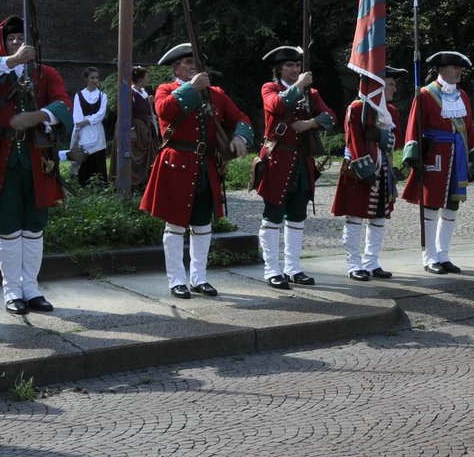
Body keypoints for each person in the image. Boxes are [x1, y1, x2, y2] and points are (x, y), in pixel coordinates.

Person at [0, 15, 72, 315]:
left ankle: (31, 288)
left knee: (35, 227)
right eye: (11, 39)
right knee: (10, 228)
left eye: (22, 39)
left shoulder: (46, 73)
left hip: (38, 160)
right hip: (2, 160)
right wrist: (12, 61)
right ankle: (12, 291)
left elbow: (63, 106)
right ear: (4, 44)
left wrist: (38, 116)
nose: (18, 43)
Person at [141, 43, 255, 299]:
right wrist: (192, 87)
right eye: (188, 62)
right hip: (176, 165)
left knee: (203, 224)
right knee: (175, 226)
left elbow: (242, 119)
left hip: (206, 165)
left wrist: (240, 138)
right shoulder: (166, 89)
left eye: (197, 63)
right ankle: (177, 280)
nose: (193, 66)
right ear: (176, 67)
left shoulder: (216, 93)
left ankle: (199, 278)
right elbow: (165, 110)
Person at [254, 46, 337, 289]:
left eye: (297, 65)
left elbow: (330, 117)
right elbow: (277, 107)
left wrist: (310, 123)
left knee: (297, 218)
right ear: (279, 69)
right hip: (278, 159)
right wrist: (299, 86)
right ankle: (272, 269)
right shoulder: (270, 88)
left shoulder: (312, 93)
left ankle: (293, 268)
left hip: (302, 162)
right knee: (272, 217)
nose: (295, 69)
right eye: (289, 66)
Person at [402, 51, 474, 274]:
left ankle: (443, 254)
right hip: (434, 156)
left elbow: (469, 129)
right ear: (442, 69)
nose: (458, 71)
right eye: (455, 67)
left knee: (452, 205)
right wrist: (413, 154)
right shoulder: (425, 94)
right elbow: (414, 125)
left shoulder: (462, 96)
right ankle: (429, 257)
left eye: (460, 68)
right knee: (431, 205)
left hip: (459, 156)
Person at [332, 66, 405, 281]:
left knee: (378, 217)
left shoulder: (390, 112)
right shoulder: (357, 108)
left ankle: (371, 262)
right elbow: (353, 140)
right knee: (355, 217)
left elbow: (398, 139)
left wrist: (381, 136)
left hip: (383, 168)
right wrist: (366, 170)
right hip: (360, 169)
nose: (394, 89)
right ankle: (354, 264)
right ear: (378, 86)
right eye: (391, 84)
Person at [68, 67, 109, 187]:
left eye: (96, 77)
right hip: (83, 131)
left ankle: (99, 186)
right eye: (92, 77)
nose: (95, 80)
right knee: (83, 155)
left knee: (98, 155)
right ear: (86, 79)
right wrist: (78, 128)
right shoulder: (79, 95)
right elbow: (77, 113)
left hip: (96, 129)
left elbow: (101, 113)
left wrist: (88, 121)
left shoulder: (102, 96)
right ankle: (84, 185)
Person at [125, 66, 159, 188]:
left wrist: (149, 102)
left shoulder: (143, 93)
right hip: (136, 127)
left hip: (145, 127)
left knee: (148, 155)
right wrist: (132, 131)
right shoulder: (131, 93)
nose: (148, 79)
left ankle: (146, 182)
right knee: (135, 156)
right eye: (146, 77)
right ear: (140, 80)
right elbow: (127, 113)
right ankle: (134, 183)